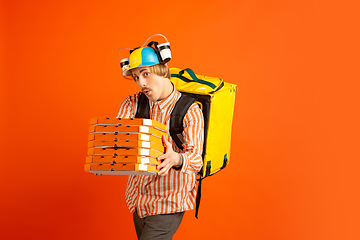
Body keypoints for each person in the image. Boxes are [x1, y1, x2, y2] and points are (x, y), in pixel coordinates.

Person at [116, 46, 204, 239]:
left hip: (168, 202)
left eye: (146, 74)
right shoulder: (133, 103)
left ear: (163, 71)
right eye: (136, 77)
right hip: (137, 199)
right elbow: (118, 134)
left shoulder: (190, 111)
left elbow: (197, 160)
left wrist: (176, 159)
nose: (141, 83)